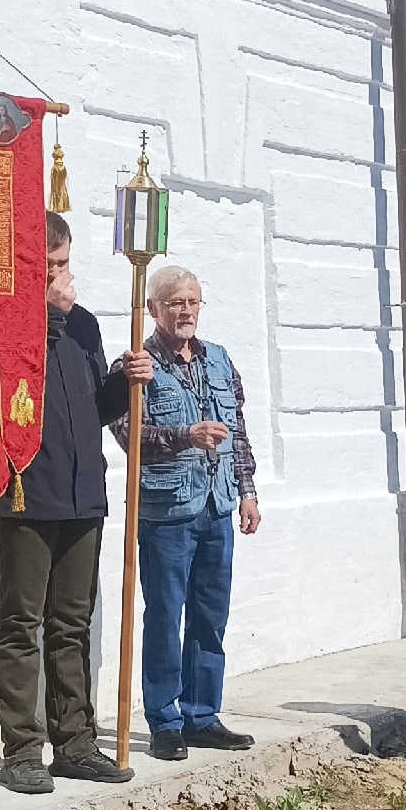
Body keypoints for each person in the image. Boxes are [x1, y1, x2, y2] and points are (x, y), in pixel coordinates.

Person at [0, 213, 153, 794]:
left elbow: (93, 408)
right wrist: (48, 316)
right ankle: (23, 748)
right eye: (51, 265)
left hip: (84, 492)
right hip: (28, 493)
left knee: (72, 624)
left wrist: (123, 381)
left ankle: (75, 742)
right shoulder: (4, 322)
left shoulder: (82, 324)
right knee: (20, 623)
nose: (63, 274)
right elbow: (8, 390)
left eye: (64, 262)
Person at [118, 266, 260, 763]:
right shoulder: (135, 364)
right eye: (175, 302)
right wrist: (185, 437)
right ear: (154, 308)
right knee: (164, 615)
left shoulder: (219, 359)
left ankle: (203, 715)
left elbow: (237, 430)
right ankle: (165, 719)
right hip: (167, 510)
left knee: (210, 615)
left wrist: (247, 491)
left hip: (218, 505)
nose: (186, 311)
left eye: (193, 302)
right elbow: (127, 435)